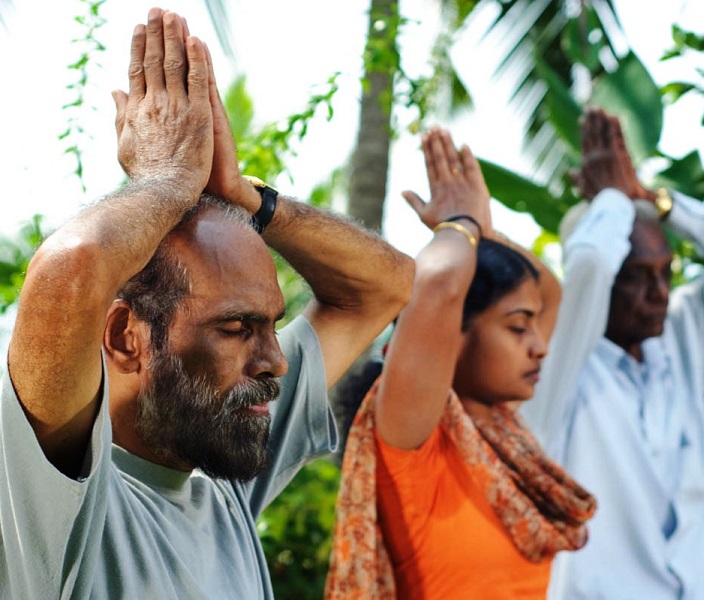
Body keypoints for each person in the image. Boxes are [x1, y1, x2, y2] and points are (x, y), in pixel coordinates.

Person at [0, 8, 413, 599]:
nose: (275, 359)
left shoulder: (221, 476)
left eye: (271, 323)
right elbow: (75, 265)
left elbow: (386, 285)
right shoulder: (51, 500)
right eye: (237, 327)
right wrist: (167, 182)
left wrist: (246, 198)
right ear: (124, 338)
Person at [520, 108, 704, 599]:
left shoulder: (682, 344)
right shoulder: (555, 369)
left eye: (666, 272)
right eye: (638, 276)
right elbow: (592, 261)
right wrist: (614, 199)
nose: (659, 292)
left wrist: (658, 202)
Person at [325, 127, 596, 599]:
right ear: (453, 334)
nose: (540, 346)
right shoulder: (415, 438)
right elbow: (438, 283)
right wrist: (460, 226)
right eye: (517, 326)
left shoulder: (502, 437)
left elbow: (549, 292)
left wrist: (485, 234)